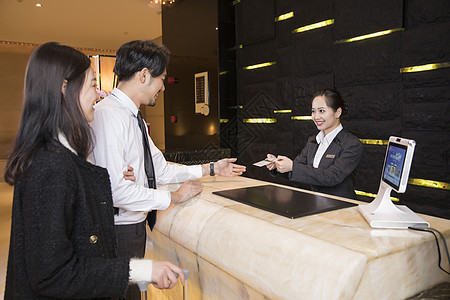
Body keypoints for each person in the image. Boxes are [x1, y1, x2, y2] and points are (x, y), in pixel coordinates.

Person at [3, 42, 185, 299]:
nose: (99, 94)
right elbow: (52, 274)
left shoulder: (61, 157)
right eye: (92, 84)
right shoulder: (50, 166)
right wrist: (141, 269)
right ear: (65, 89)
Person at [89, 39, 246, 299]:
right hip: (117, 231)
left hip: (134, 227)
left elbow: (160, 170)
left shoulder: (132, 116)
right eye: (161, 78)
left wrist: (211, 169)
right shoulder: (109, 116)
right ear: (143, 75)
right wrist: (174, 197)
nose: (163, 86)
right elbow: (114, 191)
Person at [266, 88, 363, 199]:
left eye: (321, 111)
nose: (316, 117)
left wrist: (292, 166)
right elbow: (297, 169)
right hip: (316, 204)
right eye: (313, 111)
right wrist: (277, 166)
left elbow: (332, 177)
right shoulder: (313, 141)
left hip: (342, 207)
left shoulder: (352, 144)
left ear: (338, 112)